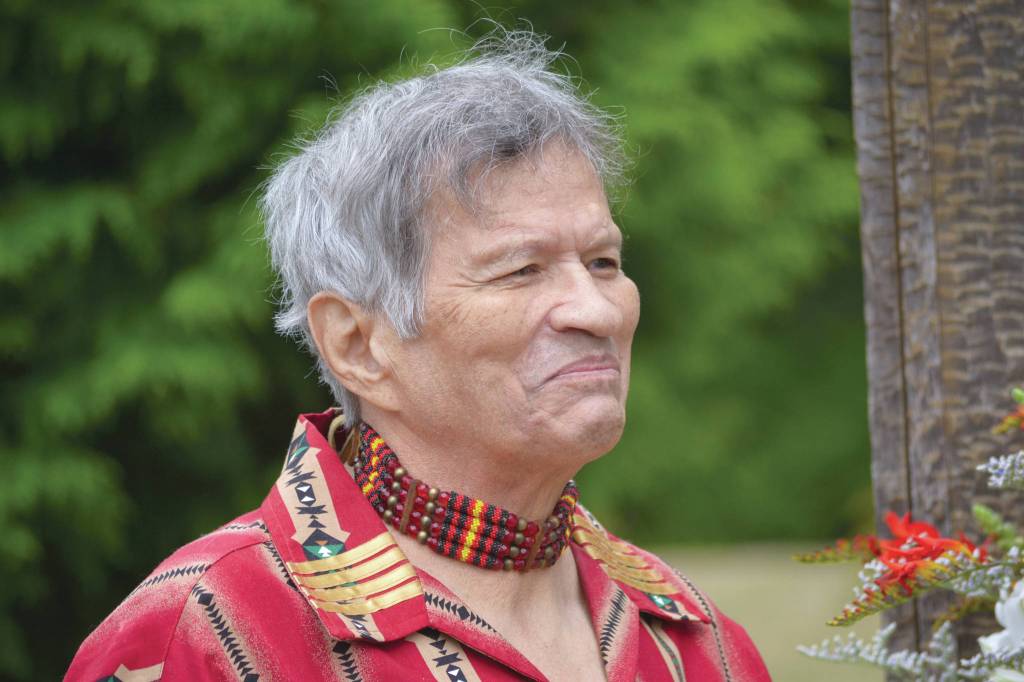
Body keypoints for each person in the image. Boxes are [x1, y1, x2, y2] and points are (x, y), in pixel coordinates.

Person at [67, 31, 771, 682]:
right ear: (357, 345)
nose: (597, 310)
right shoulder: (205, 638)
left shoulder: (695, 643)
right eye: (521, 270)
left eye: (603, 261)